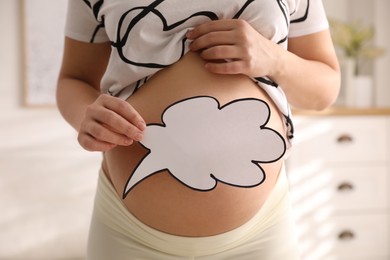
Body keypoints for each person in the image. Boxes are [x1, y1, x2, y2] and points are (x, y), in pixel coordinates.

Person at [57, 0, 340, 259]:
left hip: (260, 234)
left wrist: (276, 59)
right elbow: (74, 79)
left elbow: (324, 90)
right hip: (130, 234)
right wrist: (87, 115)